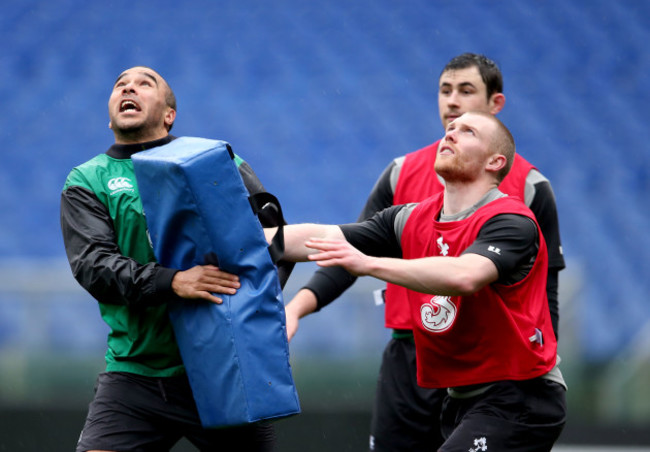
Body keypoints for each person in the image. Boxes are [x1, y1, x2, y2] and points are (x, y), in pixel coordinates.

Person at [284, 53, 565, 451]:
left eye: (466, 91)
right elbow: (340, 246)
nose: (452, 103)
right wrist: (261, 256)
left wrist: (369, 264)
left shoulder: (526, 194)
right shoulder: (404, 182)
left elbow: (507, 284)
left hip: (508, 376)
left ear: (495, 104)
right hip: (422, 360)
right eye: (444, 91)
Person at [60, 66, 279, 452]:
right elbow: (93, 266)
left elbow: (271, 242)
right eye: (120, 85)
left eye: (146, 83)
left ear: (168, 114)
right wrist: (175, 281)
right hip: (136, 372)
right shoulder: (87, 180)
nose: (129, 87)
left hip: (222, 367)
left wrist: (246, 312)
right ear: (109, 114)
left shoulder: (217, 160)